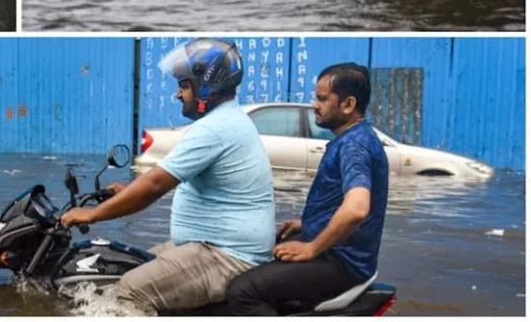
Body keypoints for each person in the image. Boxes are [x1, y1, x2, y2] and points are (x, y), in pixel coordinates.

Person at [60, 38, 275, 314]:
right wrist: (127, 192)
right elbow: (165, 177)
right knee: (130, 262)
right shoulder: (227, 119)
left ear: (206, 87)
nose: (178, 95)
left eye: (184, 86)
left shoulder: (214, 128)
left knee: (128, 290)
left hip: (227, 255)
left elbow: (154, 185)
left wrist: (91, 214)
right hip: (214, 245)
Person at [225, 63, 389, 315]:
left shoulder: (354, 146)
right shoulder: (353, 137)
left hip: (341, 262)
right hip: (339, 252)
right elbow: (340, 200)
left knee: (242, 292)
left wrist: (312, 247)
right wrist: (308, 223)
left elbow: (356, 210)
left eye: (322, 99)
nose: (314, 105)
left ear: (348, 105)